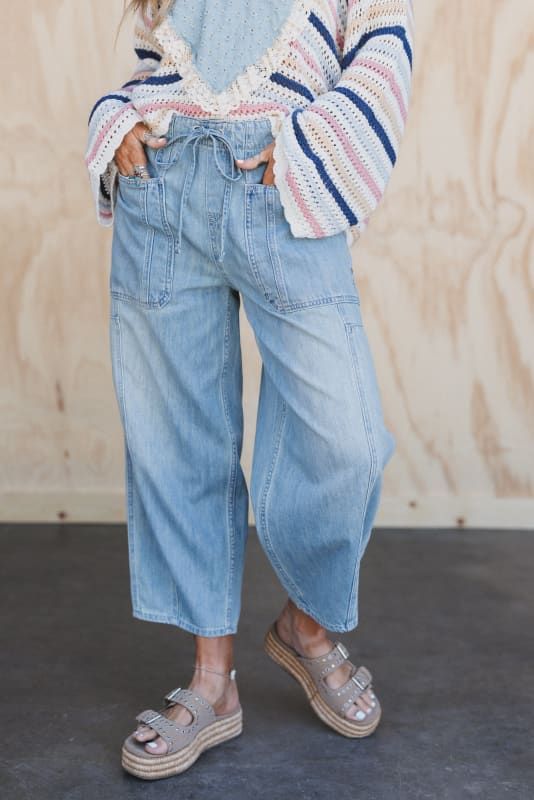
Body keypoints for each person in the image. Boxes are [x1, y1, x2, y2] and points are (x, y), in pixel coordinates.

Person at [85, 0, 414, 781]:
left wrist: (313, 143)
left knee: (348, 441)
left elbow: (384, 51)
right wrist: (114, 121)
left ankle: (306, 624)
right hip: (162, 179)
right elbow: (163, 60)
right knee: (179, 442)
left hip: (282, 179)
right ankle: (212, 681)